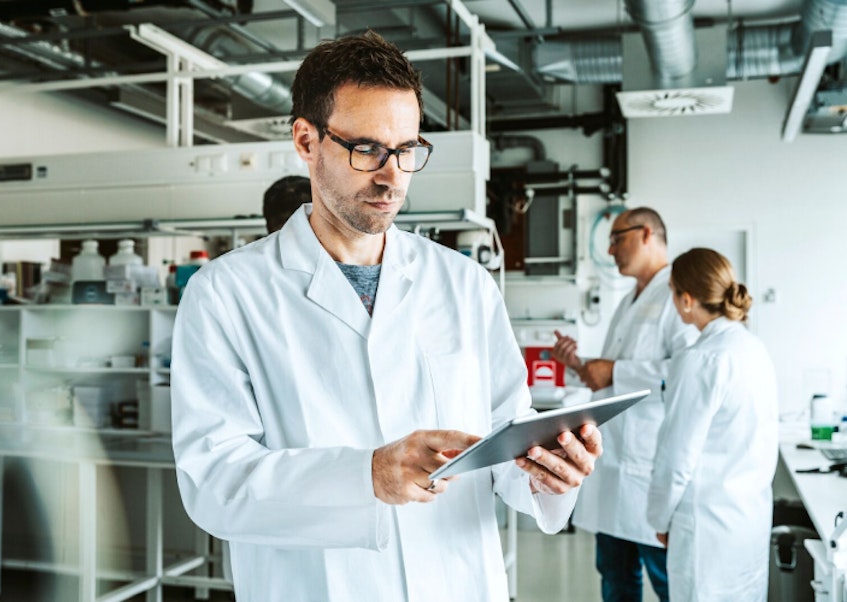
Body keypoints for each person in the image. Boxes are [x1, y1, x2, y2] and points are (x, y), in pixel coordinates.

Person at [171, 31, 603, 602]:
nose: (392, 176)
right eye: (368, 149)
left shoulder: (464, 285)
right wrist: (366, 476)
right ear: (306, 140)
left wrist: (549, 472)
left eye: (406, 150)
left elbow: (503, 440)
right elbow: (214, 482)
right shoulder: (225, 293)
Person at [551, 207, 698, 602]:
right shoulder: (628, 299)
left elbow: (688, 373)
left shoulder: (677, 294)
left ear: (647, 234)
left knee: (667, 580)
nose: (611, 249)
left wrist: (616, 371)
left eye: (618, 238)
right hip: (614, 467)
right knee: (616, 580)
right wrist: (578, 365)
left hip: (649, 467)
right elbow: (608, 379)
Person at [647, 248, 777, 601]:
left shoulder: (699, 360)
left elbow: (676, 457)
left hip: (705, 528)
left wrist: (659, 520)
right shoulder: (753, 348)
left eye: (672, 292)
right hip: (747, 521)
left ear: (686, 300)